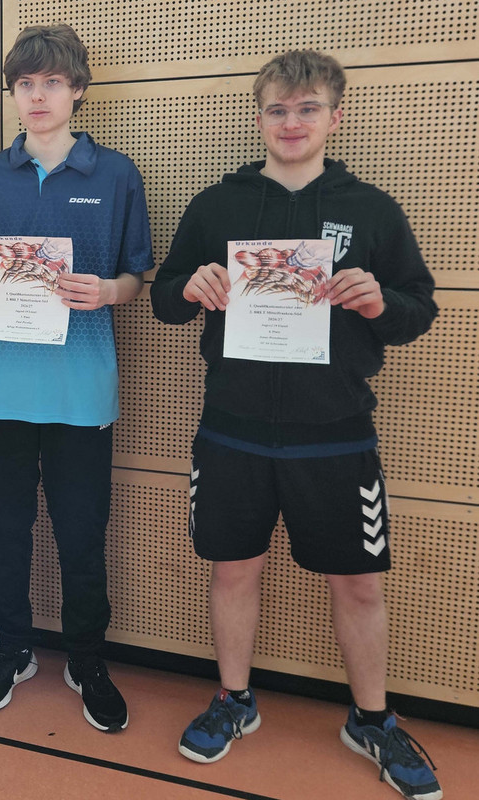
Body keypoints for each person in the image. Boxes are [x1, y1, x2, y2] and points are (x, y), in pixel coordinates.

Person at [151, 50, 441, 800]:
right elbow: (164, 299)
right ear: (260, 117)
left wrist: (381, 302)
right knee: (232, 569)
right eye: (278, 109)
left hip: (336, 432)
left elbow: (419, 307)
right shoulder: (218, 205)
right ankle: (234, 700)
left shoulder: (371, 209)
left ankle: (371, 719)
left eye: (307, 108)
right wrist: (190, 286)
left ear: (334, 118)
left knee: (360, 585)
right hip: (233, 428)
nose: (291, 122)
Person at [0, 23, 153, 732]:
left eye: (53, 82)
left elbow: (136, 277)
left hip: (81, 390)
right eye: (25, 84)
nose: (38, 96)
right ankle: (12, 647)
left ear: (78, 91)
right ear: (12, 93)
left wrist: (108, 291)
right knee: (5, 529)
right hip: (1, 388)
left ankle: (86, 657)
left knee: (81, 533)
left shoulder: (115, 175)